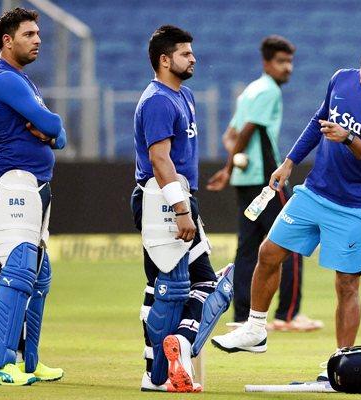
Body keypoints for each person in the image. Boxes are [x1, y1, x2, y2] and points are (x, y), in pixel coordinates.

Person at [212, 32, 361, 375]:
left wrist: (349, 137)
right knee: (268, 253)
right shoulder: (341, 79)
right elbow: (316, 123)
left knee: (347, 284)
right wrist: (289, 161)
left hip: (354, 205)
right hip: (314, 192)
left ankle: (341, 362)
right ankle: (256, 330)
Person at [131, 25, 233, 393]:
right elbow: (160, 160)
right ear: (164, 59)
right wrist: (181, 209)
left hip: (177, 197)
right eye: (185, 54)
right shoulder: (158, 100)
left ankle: (156, 373)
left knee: (161, 286)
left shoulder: (184, 95)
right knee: (202, 284)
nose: (193, 58)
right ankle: (179, 348)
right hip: (163, 199)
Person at [206, 35, 322, 332]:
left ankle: (241, 316)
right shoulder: (269, 91)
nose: (288, 68)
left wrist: (230, 166)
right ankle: (288, 314)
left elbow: (229, 135)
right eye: (282, 62)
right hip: (265, 180)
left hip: (247, 180)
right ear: (267, 63)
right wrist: (231, 167)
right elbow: (246, 131)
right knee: (292, 240)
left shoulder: (249, 91)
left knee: (247, 248)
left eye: (290, 62)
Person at [0, 8, 66, 386]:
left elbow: (58, 135)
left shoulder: (24, 81)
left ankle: (27, 363)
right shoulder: (3, 80)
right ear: (7, 41)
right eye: (29, 34)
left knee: (38, 276)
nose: (38, 39)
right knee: (16, 272)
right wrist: (50, 128)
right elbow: (52, 124)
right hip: (14, 181)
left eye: (38, 33)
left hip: (37, 185)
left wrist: (51, 130)